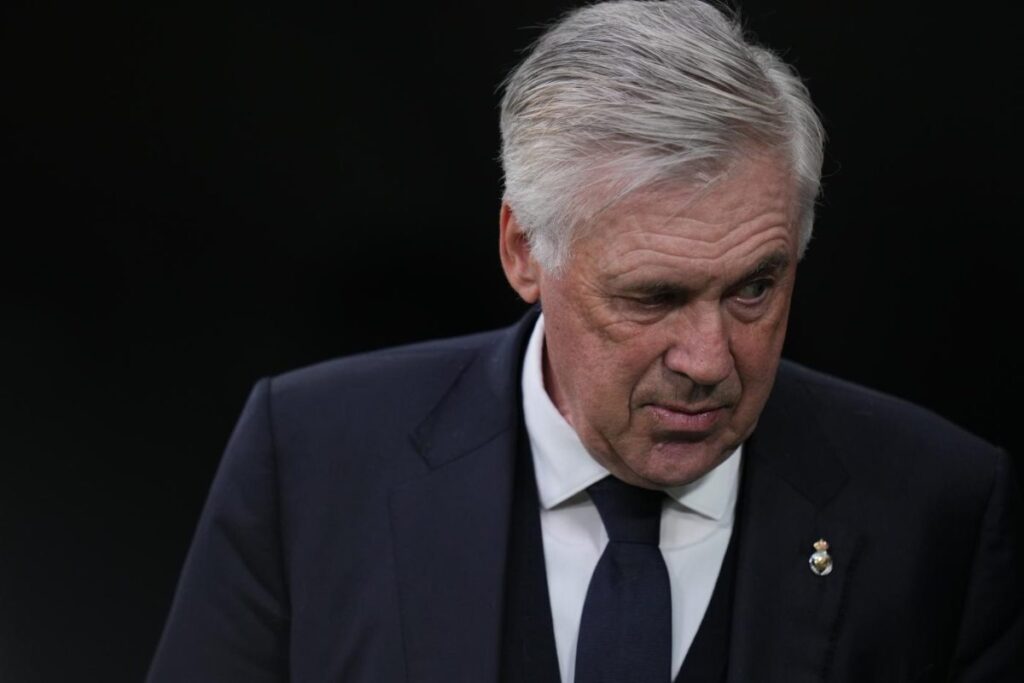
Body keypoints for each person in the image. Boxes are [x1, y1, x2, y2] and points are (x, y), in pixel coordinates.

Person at [147, 1, 1023, 681]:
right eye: (653, 297)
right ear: (523, 251)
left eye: (754, 288)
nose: (709, 360)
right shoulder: (308, 462)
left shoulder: (941, 509)